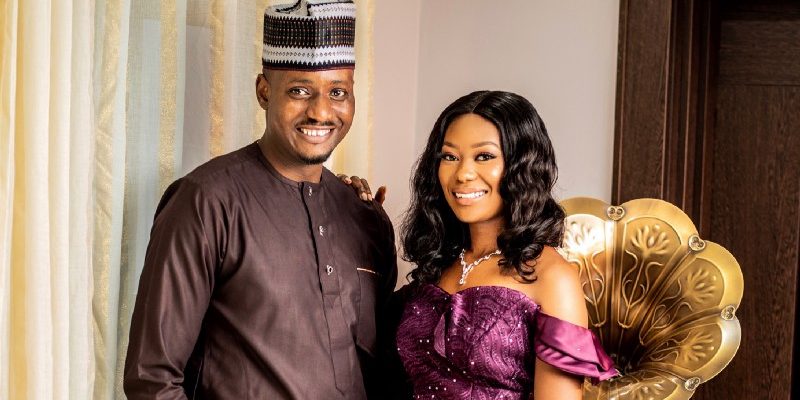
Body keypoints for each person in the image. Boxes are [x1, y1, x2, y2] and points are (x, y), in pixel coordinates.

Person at [123, 1, 397, 399]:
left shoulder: (365, 216)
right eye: (299, 91)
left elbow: (384, 369)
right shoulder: (206, 202)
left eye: (338, 92)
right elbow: (153, 379)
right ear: (264, 91)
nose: (321, 112)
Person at [389, 90, 618, 399]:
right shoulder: (437, 262)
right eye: (449, 157)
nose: (463, 173)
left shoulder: (552, 276)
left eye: (484, 156)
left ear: (522, 165)